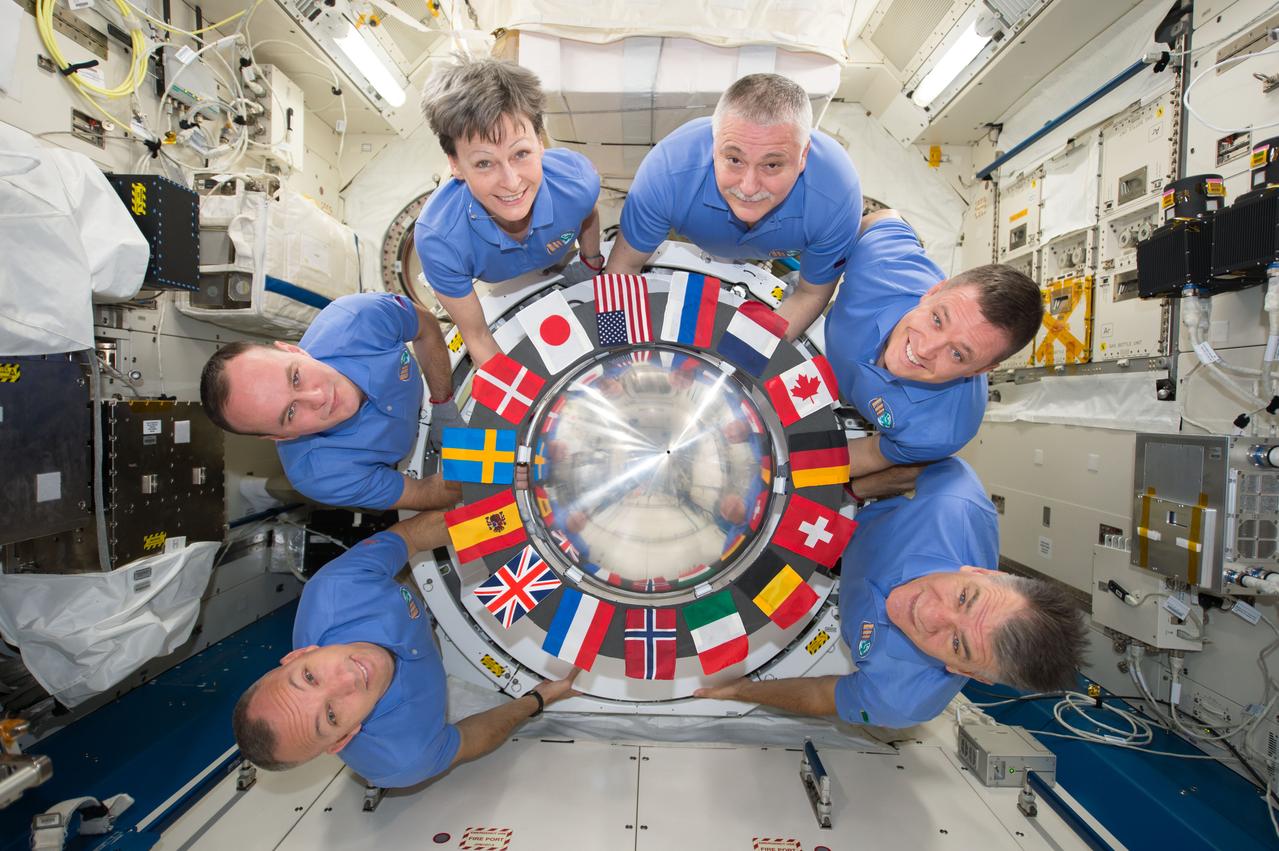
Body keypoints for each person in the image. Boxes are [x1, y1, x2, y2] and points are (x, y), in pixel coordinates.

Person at [695, 458, 1085, 728]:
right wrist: (842, 494)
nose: (929, 613)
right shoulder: (956, 503)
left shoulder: (905, 698)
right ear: (980, 571)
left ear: (964, 672)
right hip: (842, 517)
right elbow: (909, 464)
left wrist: (743, 690)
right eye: (965, 597)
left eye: (957, 643)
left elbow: (823, 694)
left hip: (826, 581)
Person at [231, 509, 579, 787]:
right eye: (332, 716)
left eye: (309, 677)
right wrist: (537, 699)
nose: (349, 678)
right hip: (433, 658)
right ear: (343, 740)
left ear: (299, 654)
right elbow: (471, 738)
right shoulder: (402, 759)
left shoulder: (337, 590)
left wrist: (515, 521)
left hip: (401, 590)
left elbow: (411, 536)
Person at [605, 73, 861, 339]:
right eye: (734, 159)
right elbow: (623, 267)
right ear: (714, 145)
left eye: (772, 164)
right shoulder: (667, 172)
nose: (749, 188)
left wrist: (745, 361)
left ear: (803, 156)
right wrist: (619, 354)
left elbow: (811, 292)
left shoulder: (836, 198)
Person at [824, 210, 1041, 481]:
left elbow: (871, 453)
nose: (926, 349)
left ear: (980, 370)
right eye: (938, 319)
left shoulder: (944, 428)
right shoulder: (889, 265)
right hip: (818, 340)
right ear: (933, 292)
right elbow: (883, 218)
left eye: (957, 354)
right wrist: (817, 288)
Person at [415, 56, 603, 366]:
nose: (511, 183)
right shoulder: (439, 242)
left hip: (560, 261)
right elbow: (477, 337)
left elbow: (588, 214)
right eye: (484, 163)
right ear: (455, 165)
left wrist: (591, 261)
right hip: (499, 284)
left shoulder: (576, 181)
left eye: (521, 153)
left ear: (541, 143)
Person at [200, 292, 462, 511]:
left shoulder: (357, 317)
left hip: (430, 386)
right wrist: (487, 469)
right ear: (279, 436)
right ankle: (262, 492)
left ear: (292, 350)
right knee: (300, 494)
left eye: (296, 377)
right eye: (290, 413)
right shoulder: (319, 474)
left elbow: (425, 326)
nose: (319, 398)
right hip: (397, 462)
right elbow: (421, 493)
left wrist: (444, 404)